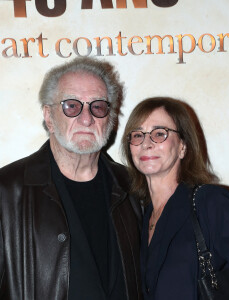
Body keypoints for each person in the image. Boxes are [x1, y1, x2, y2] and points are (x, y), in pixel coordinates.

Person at [121, 96, 229, 300]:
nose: (146, 143)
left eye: (159, 133)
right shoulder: (140, 216)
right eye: (137, 135)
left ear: (183, 147)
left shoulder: (209, 203)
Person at [0, 57, 143, 300]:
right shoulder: (6, 191)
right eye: (71, 106)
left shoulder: (134, 187)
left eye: (97, 106)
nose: (86, 119)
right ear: (49, 116)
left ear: (110, 117)